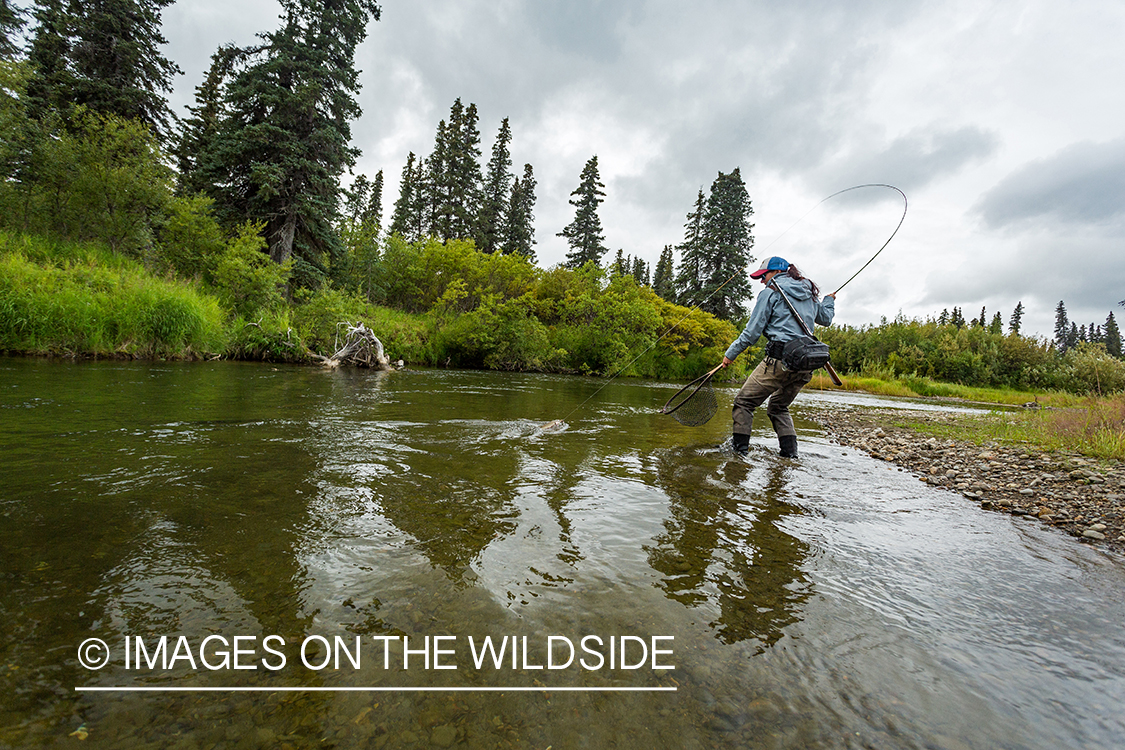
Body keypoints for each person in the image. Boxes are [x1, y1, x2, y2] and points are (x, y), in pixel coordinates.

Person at [720, 256, 836, 458]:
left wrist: (730, 354)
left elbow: (752, 333)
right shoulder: (809, 293)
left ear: (776, 273)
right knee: (779, 407)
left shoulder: (770, 293)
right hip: (805, 364)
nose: (762, 281)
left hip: (778, 361)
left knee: (744, 403)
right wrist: (828, 301)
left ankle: (738, 457)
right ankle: (790, 458)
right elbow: (826, 318)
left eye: (763, 276)